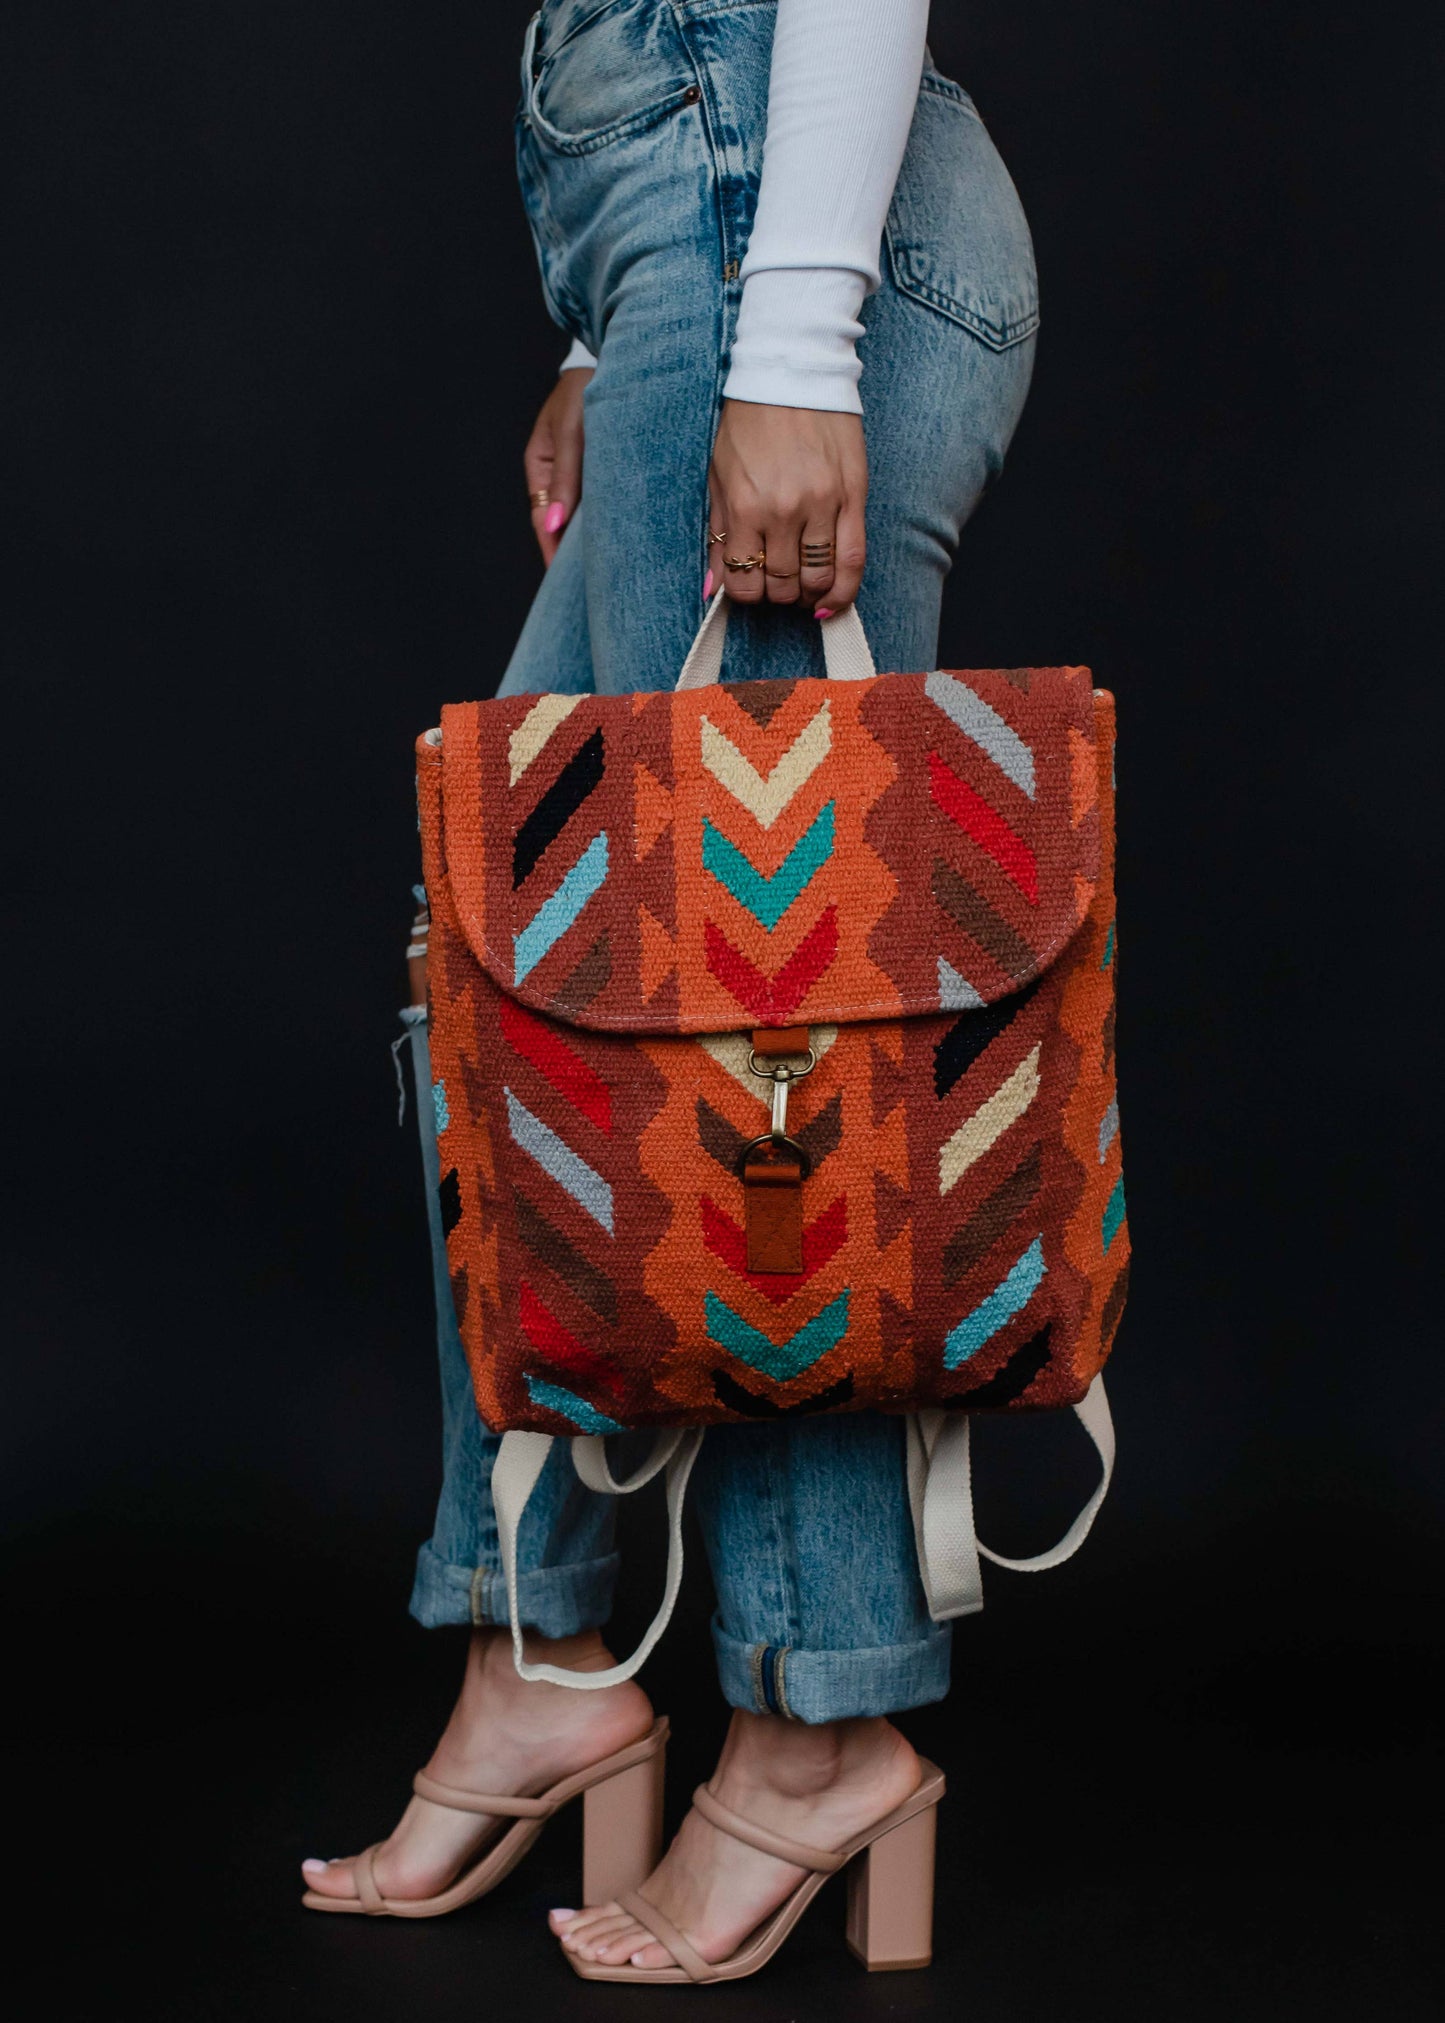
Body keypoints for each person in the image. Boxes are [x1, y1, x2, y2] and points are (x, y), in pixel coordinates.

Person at [302, 0, 1037, 1981]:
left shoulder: (776, 275)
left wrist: (782, 332)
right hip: (679, 231)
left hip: (772, 217)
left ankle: (819, 1719)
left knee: (757, 1010)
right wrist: (600, 330)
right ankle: (536, 1645)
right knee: (503, 967)